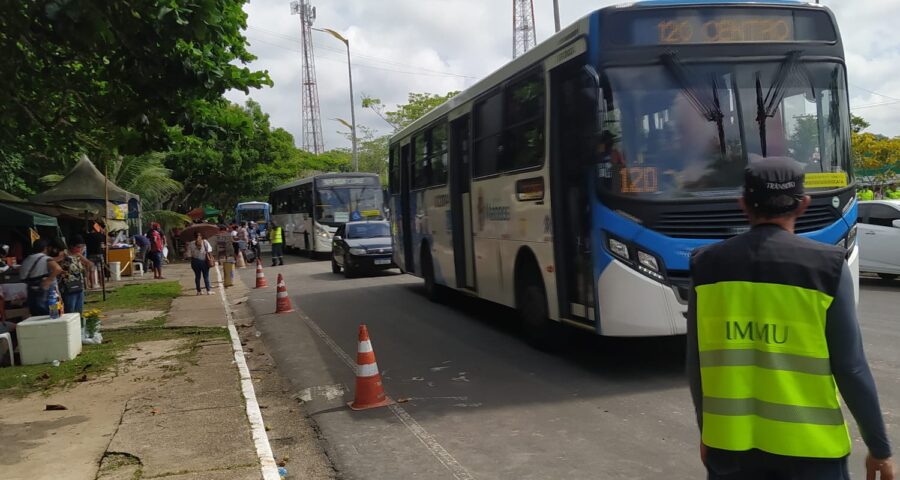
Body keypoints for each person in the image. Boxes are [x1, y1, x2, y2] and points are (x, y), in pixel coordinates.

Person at [687, 157, 894, 480]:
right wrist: (879, 449)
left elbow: (696, 363)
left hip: (729, 447)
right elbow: (851, 368)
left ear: (743, 204)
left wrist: (707, 432)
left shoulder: (706, 265)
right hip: (811, 452)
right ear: (804, 204)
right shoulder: (827, 267)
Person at [20, 238, 64, 316]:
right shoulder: (45, 258)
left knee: (36, 314)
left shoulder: (28, 258)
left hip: (31, 290)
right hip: (45, 291)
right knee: (51, 312)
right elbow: (58, 269)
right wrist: (48, 280)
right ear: (46, 248)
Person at [58, 236, 93, 319]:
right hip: (68, 287)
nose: (80, 249)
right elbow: (53, 261)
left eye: (82, 247)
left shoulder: (78, 255)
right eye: (78, 247)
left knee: (79, 310)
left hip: (78, 285)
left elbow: (89, 264)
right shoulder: (64, 253)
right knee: (70, 310)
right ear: (71, 246)